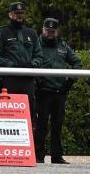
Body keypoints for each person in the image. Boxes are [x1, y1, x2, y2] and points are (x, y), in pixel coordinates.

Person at [0, 1, 43, 163]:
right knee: (8, 115)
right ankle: (7, 151)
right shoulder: (1, 32)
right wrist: (12, 66)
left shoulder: (31, 33)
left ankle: (29, 152)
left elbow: (39, 55)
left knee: (29, 116)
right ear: (10, 14)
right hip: (9, 80)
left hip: (27, 80)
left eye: (21, 13)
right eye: (16, 13)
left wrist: (31, 66)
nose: (19, 16)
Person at [34, 17, 81, 164]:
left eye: (53, 31)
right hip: (42, 91)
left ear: (57, 31)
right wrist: (36, 80)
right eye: (48, 31)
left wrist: (70, 81)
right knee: (40, 125)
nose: (50, 34)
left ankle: (57, 156)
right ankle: (38, 155)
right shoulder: (36, 44)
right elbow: (30, 63)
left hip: (59, 92)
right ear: (43, 30)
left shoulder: (63, 46)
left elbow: (77, 63)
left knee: (57, 125)